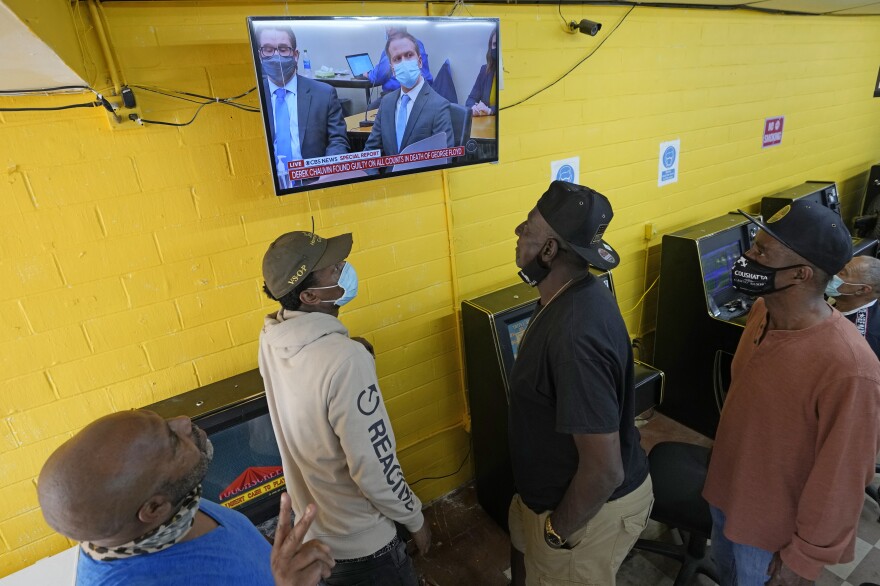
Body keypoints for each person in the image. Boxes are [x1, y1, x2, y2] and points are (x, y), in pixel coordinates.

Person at [702, 201, 880, 585]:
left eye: (762, 251)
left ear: (800, 274)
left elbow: (843, 479)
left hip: (770, 535)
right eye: (754, 245)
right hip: (726, 497)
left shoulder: (850, 368)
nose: (747, 257)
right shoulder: (762, 311)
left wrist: (803, 560)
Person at [259, 229, 430, 585]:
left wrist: (346, 348)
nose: (345, 267)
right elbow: (374, 466)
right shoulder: (345, 360)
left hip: (317, 541)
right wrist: (416, 520)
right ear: (309, 295)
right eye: (334, 269)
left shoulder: (273, 339)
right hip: (365, 546)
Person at [507, 181, 653, 586]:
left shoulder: (574, 337)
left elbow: (603, 470)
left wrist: (557, 532)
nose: (519, 232)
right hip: (542, 494)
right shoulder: (568, 294)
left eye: (529, 228)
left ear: (550, 251)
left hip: (585, 515)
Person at [37, 410, 335, 586]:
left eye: (162, 420)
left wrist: (270, 554)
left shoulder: (168, 508)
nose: (183, 421)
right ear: (153, 508)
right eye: (172, 441)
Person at [256, 24, 349, 182]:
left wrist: (328, 174)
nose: (276, 55)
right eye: (269, 49)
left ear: (296, 55)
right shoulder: (253, 99)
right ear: (260, 54)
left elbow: (338, 141)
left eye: (283, 49)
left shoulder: (324, 94)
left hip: (315, 181)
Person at [362, 33, 453, 162]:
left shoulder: (439, 105)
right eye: (397, 59)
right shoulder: (386, 103)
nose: (404, 62)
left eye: (409, 55)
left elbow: (444, 159)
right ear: (393, 70)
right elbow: (371, 151)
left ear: (420, 61)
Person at [826, 254, 880, 359]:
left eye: (842, 273)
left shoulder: (860, 338)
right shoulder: (838, 299)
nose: (833, 274)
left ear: (861, 290)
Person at [361, 26, 433, 99]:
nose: (388, 29)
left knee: (371, 108)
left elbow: (379, 75)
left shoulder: (393, 47)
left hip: (397, 94)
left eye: (409, 55)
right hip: (425, 92)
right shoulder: (416, 43)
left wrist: (368, 74)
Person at [465, 30, 498, 117]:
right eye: (495, 44)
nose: (497, 48)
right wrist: (473, 107)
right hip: (486, 125)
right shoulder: (485, 70)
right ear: (490, 47)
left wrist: (490, 110)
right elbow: (470, 99)